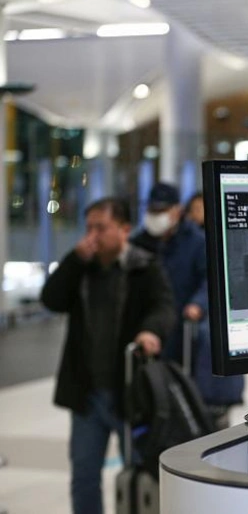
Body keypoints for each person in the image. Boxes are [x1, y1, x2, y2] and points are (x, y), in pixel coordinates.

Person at [41, 197, 176, 514]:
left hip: (129, 391)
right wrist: (74, 260)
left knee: (140, 471)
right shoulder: (80, 268)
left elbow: (165, 307)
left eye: (100, 227)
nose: (92, 235)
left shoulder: (144, 266)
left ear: (124, 229)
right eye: (88, 227)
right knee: (84, 477)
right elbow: (51, 299)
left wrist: (151, 331)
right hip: (86, 394)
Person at [131, 183, 208, 364]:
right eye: (152, 210)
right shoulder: (139, 243)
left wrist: (197, 304)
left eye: (162, 210)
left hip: (183, 327)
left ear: (177, 211)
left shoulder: (197, 241)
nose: (156, 215)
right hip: (148, 327)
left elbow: (209, 279)